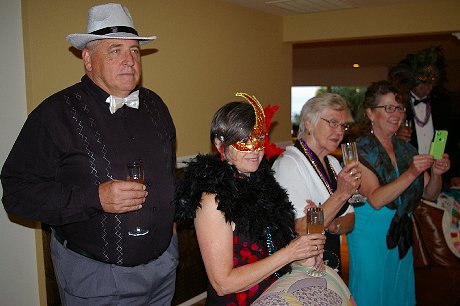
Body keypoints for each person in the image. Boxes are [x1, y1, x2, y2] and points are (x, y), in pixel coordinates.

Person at [1, 3, 178, 305]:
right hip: (97, 278)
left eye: (134, 51)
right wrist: (94, 199)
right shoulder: (54, 115)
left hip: (164, 266)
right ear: (87, 58)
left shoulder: (156, 106)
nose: (129, 61)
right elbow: (17, 192)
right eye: (115, 50)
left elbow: (167, 174)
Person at [174, 93, 326, 305]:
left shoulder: (263, 185)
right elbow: (223, 283)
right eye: (244, 141)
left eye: (259, 138)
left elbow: (271, 250)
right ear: (220, 143)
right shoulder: (212, 200)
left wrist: (305, 254)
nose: (255, 148)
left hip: (275, 296)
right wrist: (290, 254)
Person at [346, 80, 450, 306]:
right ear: (370, 113)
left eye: (400, 108)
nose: (396, 114)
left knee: (398, 292)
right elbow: (375, 198)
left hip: (402, 231)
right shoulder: (359, 150)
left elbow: (431, 194)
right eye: (388, 108)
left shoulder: (406, 149)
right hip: (371, 235)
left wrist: (437, 172)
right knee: (371, 293)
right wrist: (413, 172)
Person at [272, 93, 359, 275]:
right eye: (333, 122)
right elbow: (302, 228)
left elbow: (350, 221)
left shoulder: (333, 163)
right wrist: (341, 195)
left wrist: (326, 222)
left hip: (331, 262)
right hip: (302, 268)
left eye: (343, 125)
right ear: (309, 123)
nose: (340, 132)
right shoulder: (289, 164)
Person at [390, 46, 460, 186]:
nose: (428, 86)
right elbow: (382, 136)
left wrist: (455, 173)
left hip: (440, 173)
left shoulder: (443, 104)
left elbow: (452, 141)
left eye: (431, 82)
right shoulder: (398, 103)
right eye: (423, 82)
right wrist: (396, 136)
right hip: (408, 173)